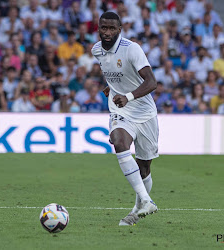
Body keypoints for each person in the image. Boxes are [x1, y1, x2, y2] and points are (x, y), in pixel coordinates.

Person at [91, 12, 158, 226]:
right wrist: (111, 89)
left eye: (112, 28)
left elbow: (151, 82)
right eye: (104, 28)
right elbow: (115, 74)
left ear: (120, 29)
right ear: (98, 28)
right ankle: (147, 200)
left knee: (144, 167)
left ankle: (137, 210)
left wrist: (128, 96)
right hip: (120, 111)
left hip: (145, 113)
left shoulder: (132, 49)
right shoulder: (96, 50)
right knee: (119, 142)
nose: (107, 32)